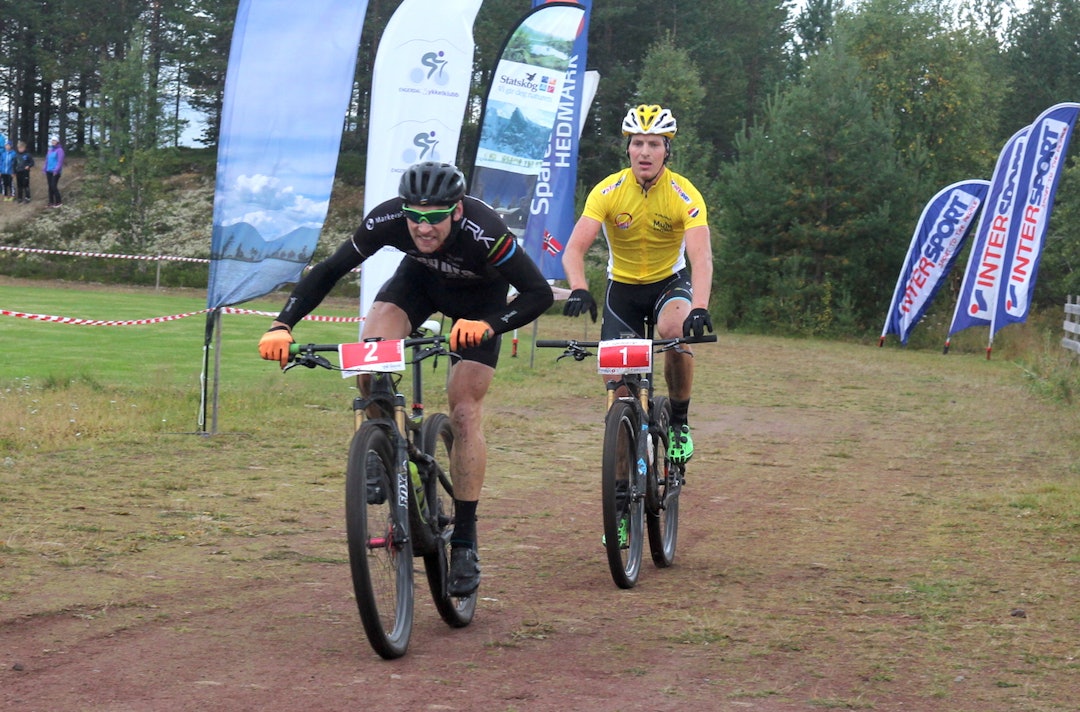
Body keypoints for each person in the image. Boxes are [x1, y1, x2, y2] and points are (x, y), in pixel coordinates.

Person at [258, 161, 553, 596]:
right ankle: (380, 444)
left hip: (481, 304)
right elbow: (330, 269)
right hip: (417, 285)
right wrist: (283, 324)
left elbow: (538, 294)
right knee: (367, 357)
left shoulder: (485, 230)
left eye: (434, 217)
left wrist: (490, 325)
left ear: (456, 211)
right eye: (415, 216)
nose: (422, 227)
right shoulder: (389, 218)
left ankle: (467, 541)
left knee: (465, 410)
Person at [561, 104, 714, 464]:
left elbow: (701, 257)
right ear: (628, 147)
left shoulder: (684, 194)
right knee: (620, 393)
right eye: (638, 143)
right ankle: (621, 497)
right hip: (623, 290)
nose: (645, 152)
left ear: (666, 150)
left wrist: (701, 306)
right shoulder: (608, 190)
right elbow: (574, 249)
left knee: (673, 330)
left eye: (654, 144)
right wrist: (580, 287)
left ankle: (678, 422)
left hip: (669, 284)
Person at [44, 136, 65, 207]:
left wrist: (56, 170)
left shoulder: (60, 150)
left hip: (55, 172)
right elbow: (47, 160)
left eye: (54, 140)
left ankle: (59, 202)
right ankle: (51, 202)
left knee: (53, 186)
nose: (53, 142)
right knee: (50, 187)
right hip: (49, 171)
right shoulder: (50, 150)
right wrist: (45, 168)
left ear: (57, 141)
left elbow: (60, 161)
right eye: (52, 141)